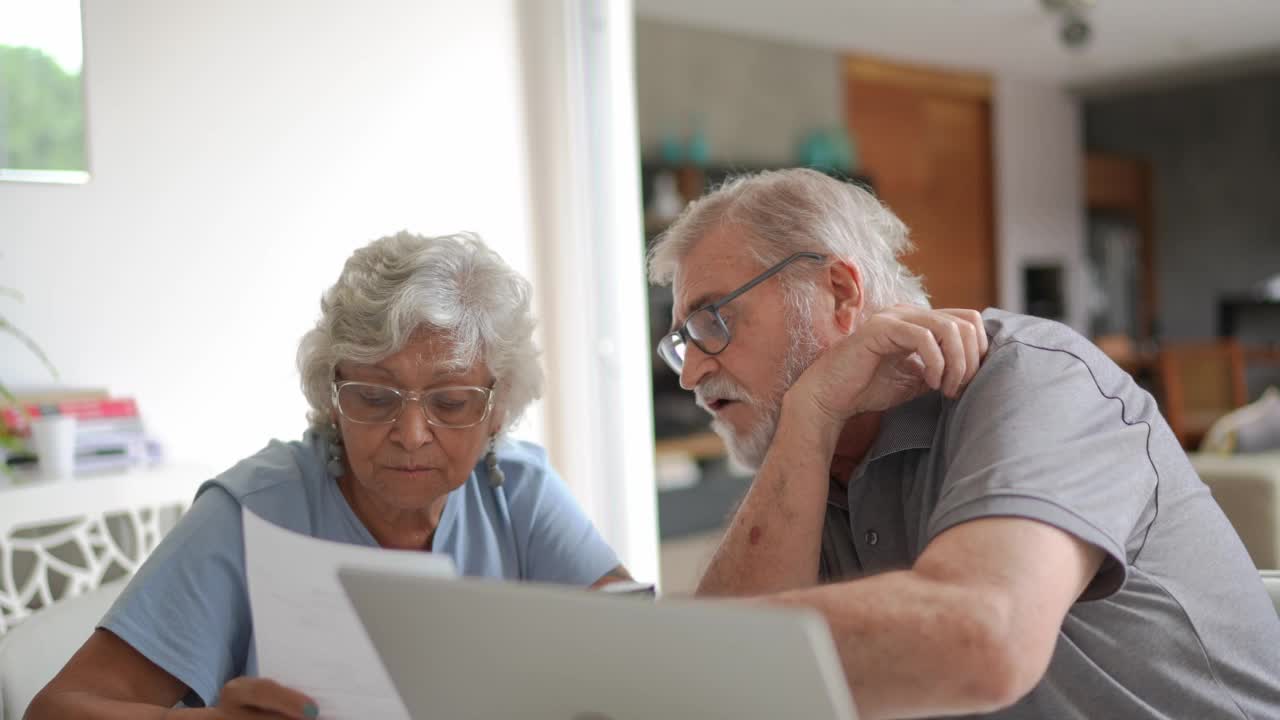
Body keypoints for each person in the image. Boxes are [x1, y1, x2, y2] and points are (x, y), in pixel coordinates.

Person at [648, 168, 1280, 719]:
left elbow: (983, 640)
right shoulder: (813, 461)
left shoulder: (1033, 376)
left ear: (839, 293)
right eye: (681, 340)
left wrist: (678, 654)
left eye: (713, 321)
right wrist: (809, 422)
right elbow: (716, 697)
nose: (690, 373)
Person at [28, 231, 630, 719]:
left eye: (450, 402)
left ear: (497, 410)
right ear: (331, 397)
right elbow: (57, 709)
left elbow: (640, 662)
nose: (413, 434)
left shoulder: (516, 491)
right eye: (373, 398)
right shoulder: (253, 509)